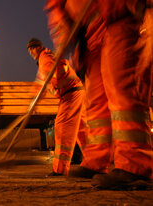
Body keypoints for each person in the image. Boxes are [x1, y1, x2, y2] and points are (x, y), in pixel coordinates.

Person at [44, 0, 153, 189]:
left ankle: (136, 164)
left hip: (122, 15)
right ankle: (97, 160)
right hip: (90, 38)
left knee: (124, 90)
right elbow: (58, 9)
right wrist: (66, 36)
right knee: (96, 104)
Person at [27, 38, 87, 176]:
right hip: (77, 91)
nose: (30, 52)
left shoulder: (45, 58)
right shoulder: (46, 57)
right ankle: (93, 162)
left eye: (32, 48)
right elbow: (41, 80)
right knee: (82, 130)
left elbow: (48, 76)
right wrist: (34, 97)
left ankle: (60, 170)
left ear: (38, 47)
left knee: (62, 127)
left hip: (71, 94)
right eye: (29, 49)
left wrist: (38, 95)